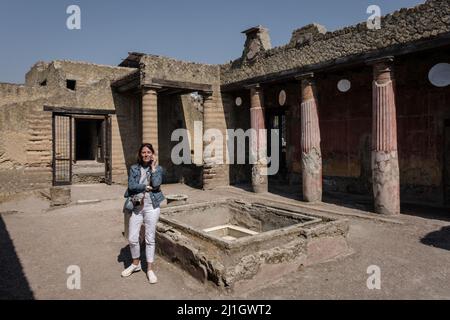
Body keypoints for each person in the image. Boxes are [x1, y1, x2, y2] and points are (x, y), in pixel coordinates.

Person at [121, 143, 165, 284]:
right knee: (133, 238)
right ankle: (136, 264)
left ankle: (150, 269)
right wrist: (145, 186)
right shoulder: (134, 168)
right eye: (143, 152)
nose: (146, 154)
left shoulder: (158, 169)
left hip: (152, 207)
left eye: (148, 152)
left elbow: (157, 184)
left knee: (149, 238)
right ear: (140, 154)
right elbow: (131, 186)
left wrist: (153, 169)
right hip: (137, 207)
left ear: (152, 154)